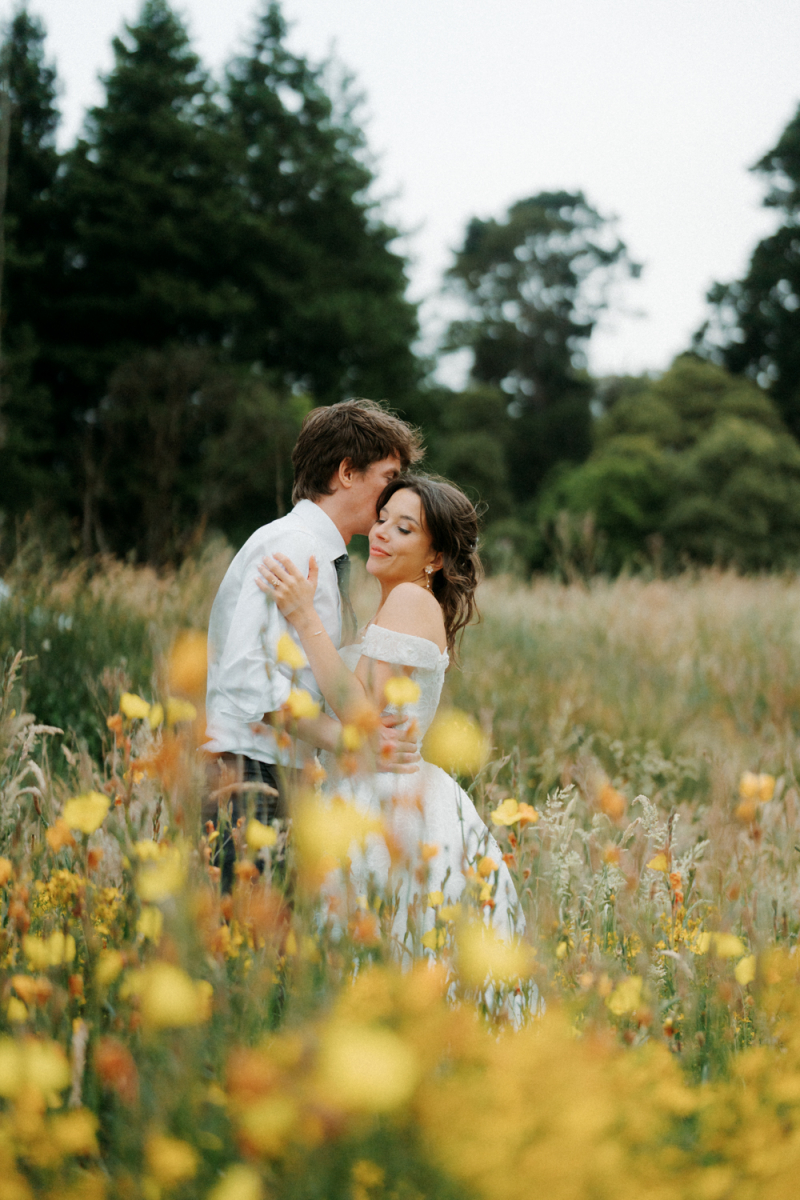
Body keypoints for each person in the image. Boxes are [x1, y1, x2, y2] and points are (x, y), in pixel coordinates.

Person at [256, 474, 521, 944]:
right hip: (368, 792)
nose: (379, 533)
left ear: (435, 557)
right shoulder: (389, 610)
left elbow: (363, 720)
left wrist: (304, 615)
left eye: (403, 528)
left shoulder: (410, 600)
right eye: (381, 520)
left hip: (391, 804)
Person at [203, 399, 423, 891]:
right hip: (247, 775)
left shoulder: (323, 554)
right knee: (245, 946)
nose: (396, 494)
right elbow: (247, 683)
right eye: (389, 476)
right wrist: (354, 742)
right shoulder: (291, 547)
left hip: (283, 772)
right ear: (347, 471)